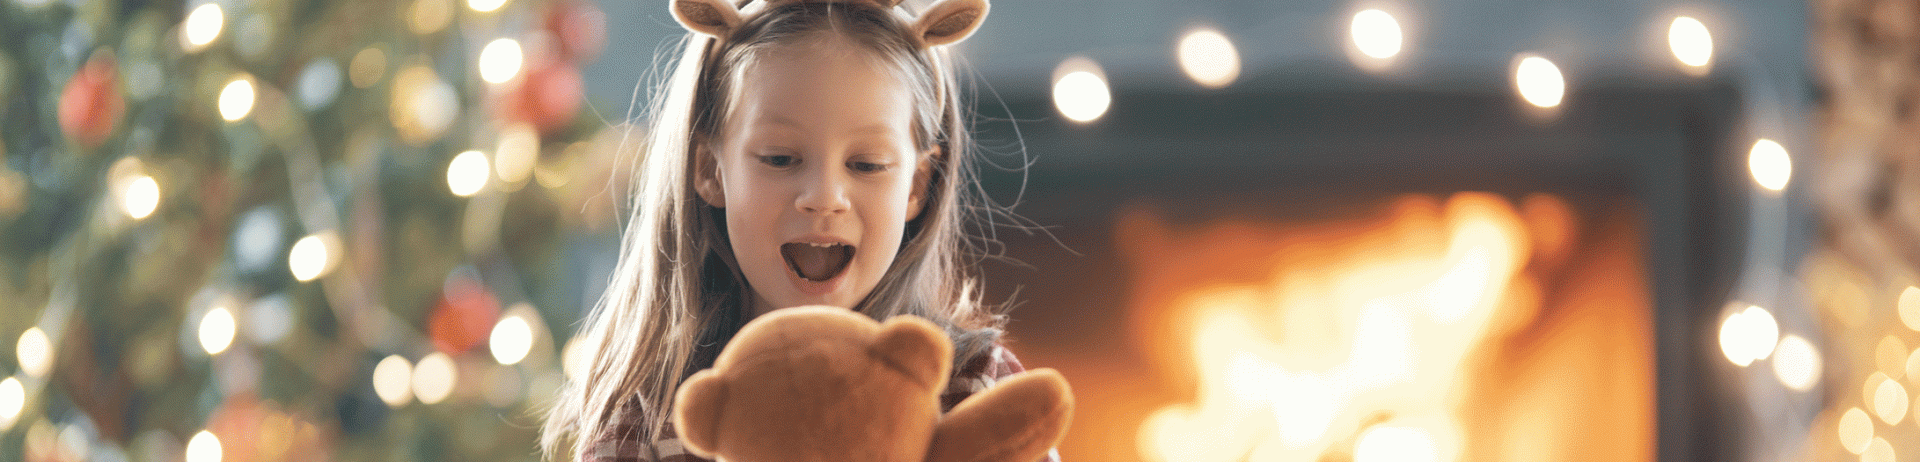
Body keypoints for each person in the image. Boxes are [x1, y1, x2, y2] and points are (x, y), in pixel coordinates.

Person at [539, 0, 1058, 460]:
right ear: (709, 171)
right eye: (781, 158)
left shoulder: (976, 388)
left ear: (918, 185)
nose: (824, 197)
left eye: (868, 164)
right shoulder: (649, 416)